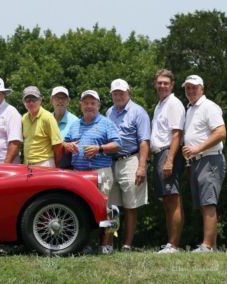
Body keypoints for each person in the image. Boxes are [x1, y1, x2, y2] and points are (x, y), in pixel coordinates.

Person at [63, 90, 121, 254]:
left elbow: (117, 145)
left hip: (100, 173)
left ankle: (106, 246)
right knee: (82, 210)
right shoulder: (75, 124)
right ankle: (85, 245)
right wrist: (68, 146)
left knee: (107, 210)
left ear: (98, 105)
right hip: (79, 174)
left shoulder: (106, 123)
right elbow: (65, 144)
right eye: (86, 103)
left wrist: (99, 148)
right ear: (81, 105)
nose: (89, 106)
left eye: (92, 103)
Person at [104, 79, 151, 252]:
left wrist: (141, 166)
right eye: (115, 93)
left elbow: (144, 141)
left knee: (131, 205)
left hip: (131, 159)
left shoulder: (138, 112)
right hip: (111, 162)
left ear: (128, 93)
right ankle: (109, 244)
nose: (118, 96)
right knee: (112, 207)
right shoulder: (109, 112)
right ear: (111, 95)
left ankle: (126, 245)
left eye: (121, 93)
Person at [181, 75, 226, 253]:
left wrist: (197, 148)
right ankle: (211, 246)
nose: (191, 91)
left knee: (208, 202)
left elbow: (221, 133)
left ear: (202, 89)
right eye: (188, 88)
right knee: (203, 203)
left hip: (210, 159)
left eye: (194, 87)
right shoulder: (190, 108)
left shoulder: (209, 107)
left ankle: (207, 246)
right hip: (197, 161)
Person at [150, 69, 186, 254]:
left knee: (173, 199)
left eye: (166, 83)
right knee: (167, 200)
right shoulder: (160, 104)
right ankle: (170, 243)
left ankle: (174, 244)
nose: (162, 85)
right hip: (160, 154)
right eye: (160, 82)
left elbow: (177, 134)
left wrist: (170, 160)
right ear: (155, 84)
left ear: (172, 85)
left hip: (168, 153)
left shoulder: (174, 104)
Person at [22, 86, 62, 167]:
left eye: (34, 99)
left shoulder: (48, 117)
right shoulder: (24, 118)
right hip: (27, 165)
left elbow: (58, 145)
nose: (31, 103)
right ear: (23, 102)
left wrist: (55, 166)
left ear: (40, 99)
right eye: (27, 99)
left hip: (45, 164)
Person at [50, 86, 79, 169]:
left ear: (68, 101)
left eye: (63, 98)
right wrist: (63, 144)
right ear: (51, 101)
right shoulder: (46, 119)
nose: (60, 101)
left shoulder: (75, 121)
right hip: (47, 167)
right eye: (57, 98)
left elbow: (76, 146)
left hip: (67, 169)